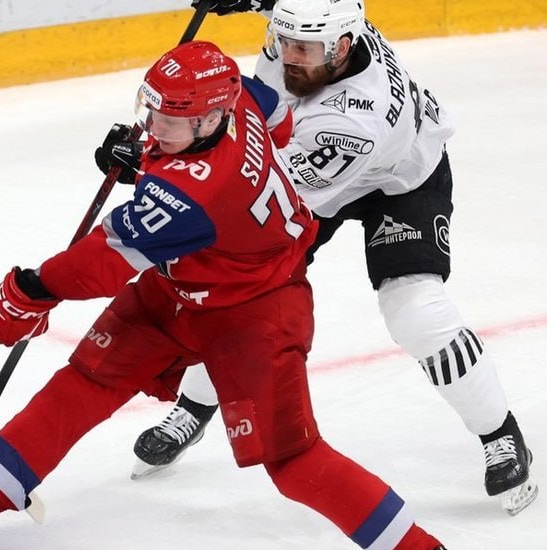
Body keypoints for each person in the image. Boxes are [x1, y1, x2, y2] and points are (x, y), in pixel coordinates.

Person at [0, 41, 493, 550]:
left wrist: (29, 289)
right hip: (181, 285)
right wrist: (143, 155)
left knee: (293, 459)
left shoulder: (197, 195)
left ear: (209, 119)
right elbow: (275, 114)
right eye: (154, 109)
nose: (156, 125)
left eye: (173, 117)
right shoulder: (239, 102)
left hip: (255, 315)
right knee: (86, 382)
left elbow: (101, 263)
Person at [125, 0, 535, 516]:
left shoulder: (352, 122)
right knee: (235, 295)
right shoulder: (323, 29)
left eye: (304, 49)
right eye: (283, 41)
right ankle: (196, 405)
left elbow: (254, 187)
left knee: (416, 313)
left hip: (396, 182)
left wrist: (153, 164)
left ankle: (501, 433)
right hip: (299, 164)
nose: (290, 57)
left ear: (341, 48)